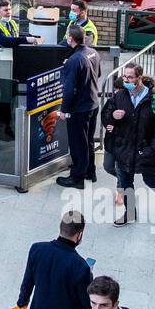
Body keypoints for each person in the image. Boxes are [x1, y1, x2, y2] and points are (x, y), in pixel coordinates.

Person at [102, 63, 155, 225]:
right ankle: (130, 213)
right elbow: (105, 113)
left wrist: (153, 147)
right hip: (124, 149)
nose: (126, 80)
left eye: (130, 77)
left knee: (149, 179)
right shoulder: (120, 96)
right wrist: (113, 115)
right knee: (126, 182)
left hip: (145, 149)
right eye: (124, 77)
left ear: (139, 78)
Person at [55, 25, 98, 190]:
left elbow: (69, 88)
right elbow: (97, 74)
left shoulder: (74, 60)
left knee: (78, 143)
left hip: (79, 108)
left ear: (70, 39)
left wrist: (64, 110)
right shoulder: (92, 52)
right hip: (93, 103)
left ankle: (77, 177)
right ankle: (90, 172)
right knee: (88, 140)